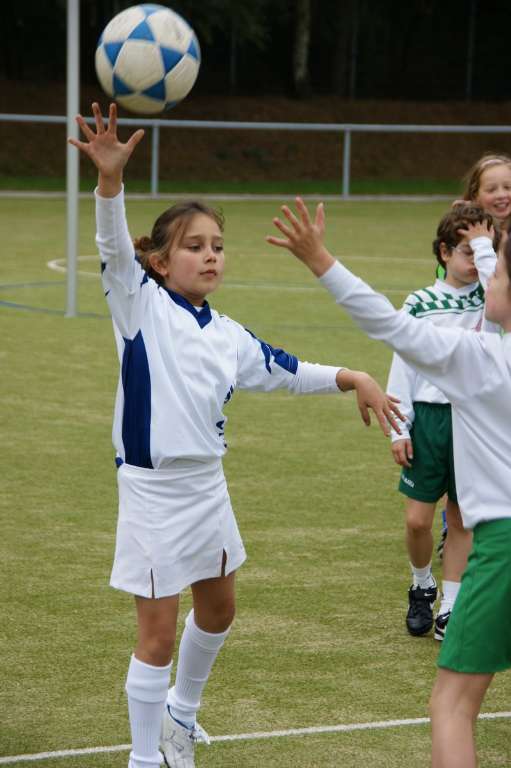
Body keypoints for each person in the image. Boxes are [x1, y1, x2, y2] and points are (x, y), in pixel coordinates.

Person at [68, 103, 403, 768]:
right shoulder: (138, 304)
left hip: (206, 487)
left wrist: (352, 375)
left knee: (219, 610)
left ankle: (180, 721)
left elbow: (285, 370)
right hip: (153, 491)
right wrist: (110, 183)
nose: (209, 255)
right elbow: (112, 244)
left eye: (217, 245)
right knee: (156, 637)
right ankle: (143, 759)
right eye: (193, 246)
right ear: (159, 263)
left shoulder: (226, 335)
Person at [267, 197, 511, 768]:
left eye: (497, 264)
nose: (487, 270)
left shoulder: (479, 358)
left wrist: (320, 258)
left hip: (502, 545)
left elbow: (386, 322)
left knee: (451, 706)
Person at [386, 204, 501, 641]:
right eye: (467, 253)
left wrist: (487, 247)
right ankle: (422, 584)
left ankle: (450, 606)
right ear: (443, 252)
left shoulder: (490, 299)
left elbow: (499, 296)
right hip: (428, 420)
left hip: (473, 419)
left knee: (460, 517)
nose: (476, 262)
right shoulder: (420, 302)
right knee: (418, 520)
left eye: (483, 254)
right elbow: (404, 362)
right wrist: (400, 427)